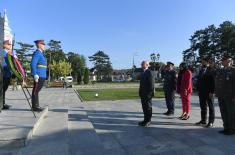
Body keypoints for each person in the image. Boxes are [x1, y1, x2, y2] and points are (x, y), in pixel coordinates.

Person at [215, 55, 235, 135]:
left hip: (230, 96)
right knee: (223, 112)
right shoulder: (221, 70)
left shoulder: (233, 70)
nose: (222, 62)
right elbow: (218, 82)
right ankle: (226, 127)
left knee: (231, 113)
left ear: (229, 61)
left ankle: (232, 129)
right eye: (222, 60)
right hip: (221, 95)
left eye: (224, 60)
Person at [195, 57, 215, 128]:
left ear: (207, 62)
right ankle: (203, 120)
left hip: (209, 91)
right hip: (201, 91)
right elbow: (199, 80)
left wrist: (212, 91)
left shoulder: (211, 70)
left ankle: (211, 122)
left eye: (203, 61)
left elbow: (213, 82)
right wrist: (197, 89)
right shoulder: (201, 70)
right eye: (202, 61)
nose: (202, 63)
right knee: (203, 106)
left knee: (211, 107)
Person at [31, 40, 47, 112]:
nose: (44, 46)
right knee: (35, 91)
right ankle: (35, 106)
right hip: (39, 75)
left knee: (37, 90)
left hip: (42, 75)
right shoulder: (37, 53)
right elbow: (33, 64)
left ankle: (36, 105)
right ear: (39, 45)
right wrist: (35, 74)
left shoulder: (41, 53)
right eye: (43, 44)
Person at [138, 61, 154, 127]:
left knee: (148, 108)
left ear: (147, 65)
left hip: (148, 94)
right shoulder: (143, 72)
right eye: (141, 64)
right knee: (144, 107)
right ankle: (145, 120)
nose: (141, 65)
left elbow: (151, 84)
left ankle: (148, 121)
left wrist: (150, 93)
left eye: (143, 64)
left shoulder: (149, 72)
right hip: (143, 93)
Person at [2, 40, 15, 110]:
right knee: (2, 90)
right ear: (4, 45)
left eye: (10, 45)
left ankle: (3, 103)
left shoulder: (9, 53)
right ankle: (2, 104)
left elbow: (11, 64)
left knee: (4, 89)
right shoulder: (2, 52)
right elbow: (4, 64)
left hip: (8, 74)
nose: (10, 46)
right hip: (3, 74)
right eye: (8, 44)